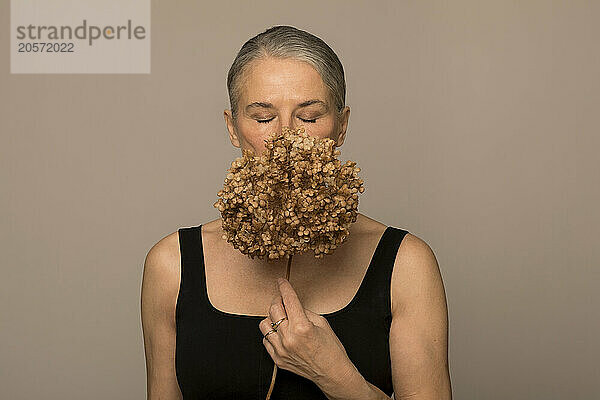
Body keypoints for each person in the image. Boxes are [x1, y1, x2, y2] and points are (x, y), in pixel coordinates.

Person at [141, 25, 452, 400]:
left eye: (308, 117)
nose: (285, 137)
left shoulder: (407, 264)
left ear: (341, 127)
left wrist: (337, 376)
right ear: (233, 128)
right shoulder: (171, 265)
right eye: (261, 118)